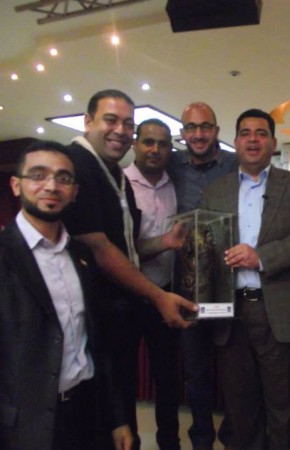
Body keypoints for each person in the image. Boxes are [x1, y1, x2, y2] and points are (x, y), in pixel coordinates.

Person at [0, 141, 133, 450]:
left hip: (87, 415)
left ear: (74, 191)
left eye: (63, 178)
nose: (52, 186)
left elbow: (97, 344)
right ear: (16, 185)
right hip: (24, 427)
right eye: (38, 175)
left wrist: (117, 418)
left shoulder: (82, 255)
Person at [62, 89, 197, 450]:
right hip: (94, 311)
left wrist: (165, 242)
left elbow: (126, 246)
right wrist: (157, 296)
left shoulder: (112, 174)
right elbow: (99, 248)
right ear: (87, 121)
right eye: (111, 120)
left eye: (126, 123)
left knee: (136, 391)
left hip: (125, 306)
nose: (120, 130)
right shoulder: (77, 165)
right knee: (107, 406)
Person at [201, 109, 290, 450]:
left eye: (261, 133)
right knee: (240, 409)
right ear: (235, 142)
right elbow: (204, 246)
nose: (253, 139)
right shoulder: (214, 191)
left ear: (273, 142)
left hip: (277, 310)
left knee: (285, 408)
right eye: (246, 133)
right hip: (230, 315)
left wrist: (260, 256)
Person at [168, 102, 238, 450]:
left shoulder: (234, 164)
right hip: (187, 287)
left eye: (205, 127)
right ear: (182, 133)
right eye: (191, 128)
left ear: (216, 131)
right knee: (195, 372)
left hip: (228, 283)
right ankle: (202, 440)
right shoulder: (171, 164)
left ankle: (233, 434)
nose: (198, 134)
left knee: (234, 367)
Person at [123, 119, 183, 450]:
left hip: (167, 294)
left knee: (168, 381)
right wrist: (164, 242)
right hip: (128, 299)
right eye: (148, 142)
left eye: (162, 144)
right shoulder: (120, 184)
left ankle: (169, 444)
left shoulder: (175, 185)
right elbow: (120, 250)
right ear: (135, 143)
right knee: (125, 381)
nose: (155, 149)